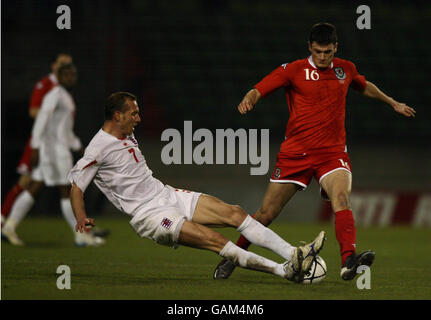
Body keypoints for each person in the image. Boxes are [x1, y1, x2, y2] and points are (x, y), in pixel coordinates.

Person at [213, 23, 416, 281]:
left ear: (335, 48)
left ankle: (348, 260)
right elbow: (260, 88)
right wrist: (249, 99)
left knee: (341, 198)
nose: (322, 57)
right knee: (265, 214)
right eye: (318, 51)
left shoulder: (345, 69)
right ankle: (234, 255)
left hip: (332, 154)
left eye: (328, 52)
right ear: (310, 47)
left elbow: (363, 85)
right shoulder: (294, 70)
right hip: (295, 154)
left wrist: (393, 103)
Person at [68, 92, 326, 283]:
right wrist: (81, 217)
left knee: (234, 213)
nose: (139, 117)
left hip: (165, 194)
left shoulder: (125, 132)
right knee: (216, 241)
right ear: (117, 116)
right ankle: (283, 270)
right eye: (133, 113)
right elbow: (77, 187)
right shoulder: (98, 148)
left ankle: (295, 253)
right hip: (151, 215)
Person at [1, 63, 105, 247]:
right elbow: (41, 120)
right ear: (59, 77)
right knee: (68, 191)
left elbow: (63, 129)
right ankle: (81, 236)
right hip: (54, 151)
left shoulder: (65, 96)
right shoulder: (55, 95)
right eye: (66, 75)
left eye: (73, 75)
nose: (71, 78)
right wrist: (34, 148)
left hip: (55, 149)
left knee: (35, 187)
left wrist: (78, 145)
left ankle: (9, 227)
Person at [1, 53, 72, 226]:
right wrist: (52, 118)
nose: (67, 67)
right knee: (28, 182)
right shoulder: (45, 85)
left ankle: (7, 224)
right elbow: (33, 111)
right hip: (41, 142)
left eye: (69, 64)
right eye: (63, 63)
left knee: (35, 183)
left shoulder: (62, 88)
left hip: (53, 143)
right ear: (53, 65)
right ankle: (4, 220)